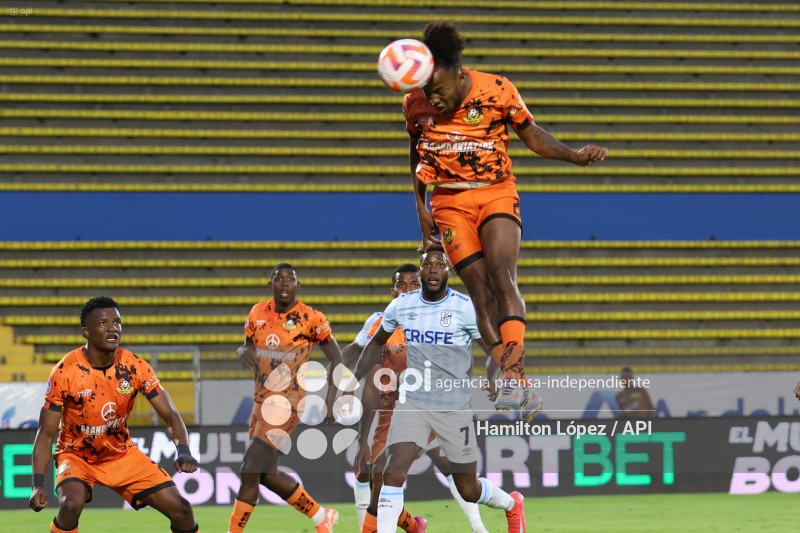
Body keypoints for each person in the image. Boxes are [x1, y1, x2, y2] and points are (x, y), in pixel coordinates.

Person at [406, 20, 608, 415]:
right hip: (448, 202)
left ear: (459, 74)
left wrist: (573, 155)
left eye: (441, 90)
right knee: (478, 291)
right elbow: (417, 150)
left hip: (496, 191)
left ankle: (513, 378)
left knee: (502, 276)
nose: (435, 99)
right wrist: (420, 205)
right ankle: (517, 381)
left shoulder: (497, 89)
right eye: (429, 92)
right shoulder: (414, 102)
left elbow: (531, 134)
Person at [353, 245, 526, 533]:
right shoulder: (401, 306)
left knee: (468, 488)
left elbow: (494, 349)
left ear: (448, 271)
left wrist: (496, 377)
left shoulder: (465, 308)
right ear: (420, 271)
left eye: (439, 264)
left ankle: (512, 505)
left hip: (453, 407)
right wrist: (351, 380)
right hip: (413, 403)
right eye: (427, 264)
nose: (433, 268)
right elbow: (375, 344)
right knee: (391, 472)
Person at [29, 296, 201, 533]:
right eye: (103, 323)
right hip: (76, 456)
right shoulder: (64, 372)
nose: (113, 328)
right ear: (86, 332)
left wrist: (183, 450)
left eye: (117, 322)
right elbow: (46, 434)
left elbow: (170, 414)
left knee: (182, 510)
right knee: (70, 505)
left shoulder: (135, 366)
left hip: (121, 455)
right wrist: (37, 484)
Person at [228, 263, 342, 533]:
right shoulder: (257, 312)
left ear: (297, 285)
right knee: (266, 475)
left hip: (287, 403)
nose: (284, 283)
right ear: (270, 285)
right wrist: (240, 351)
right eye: (279, 279)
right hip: (260, 402)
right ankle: (321, 516)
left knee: (249, 469)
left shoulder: (311, 318)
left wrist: (330, 399)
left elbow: (336, 358)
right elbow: (247, 345)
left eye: (290, 279)